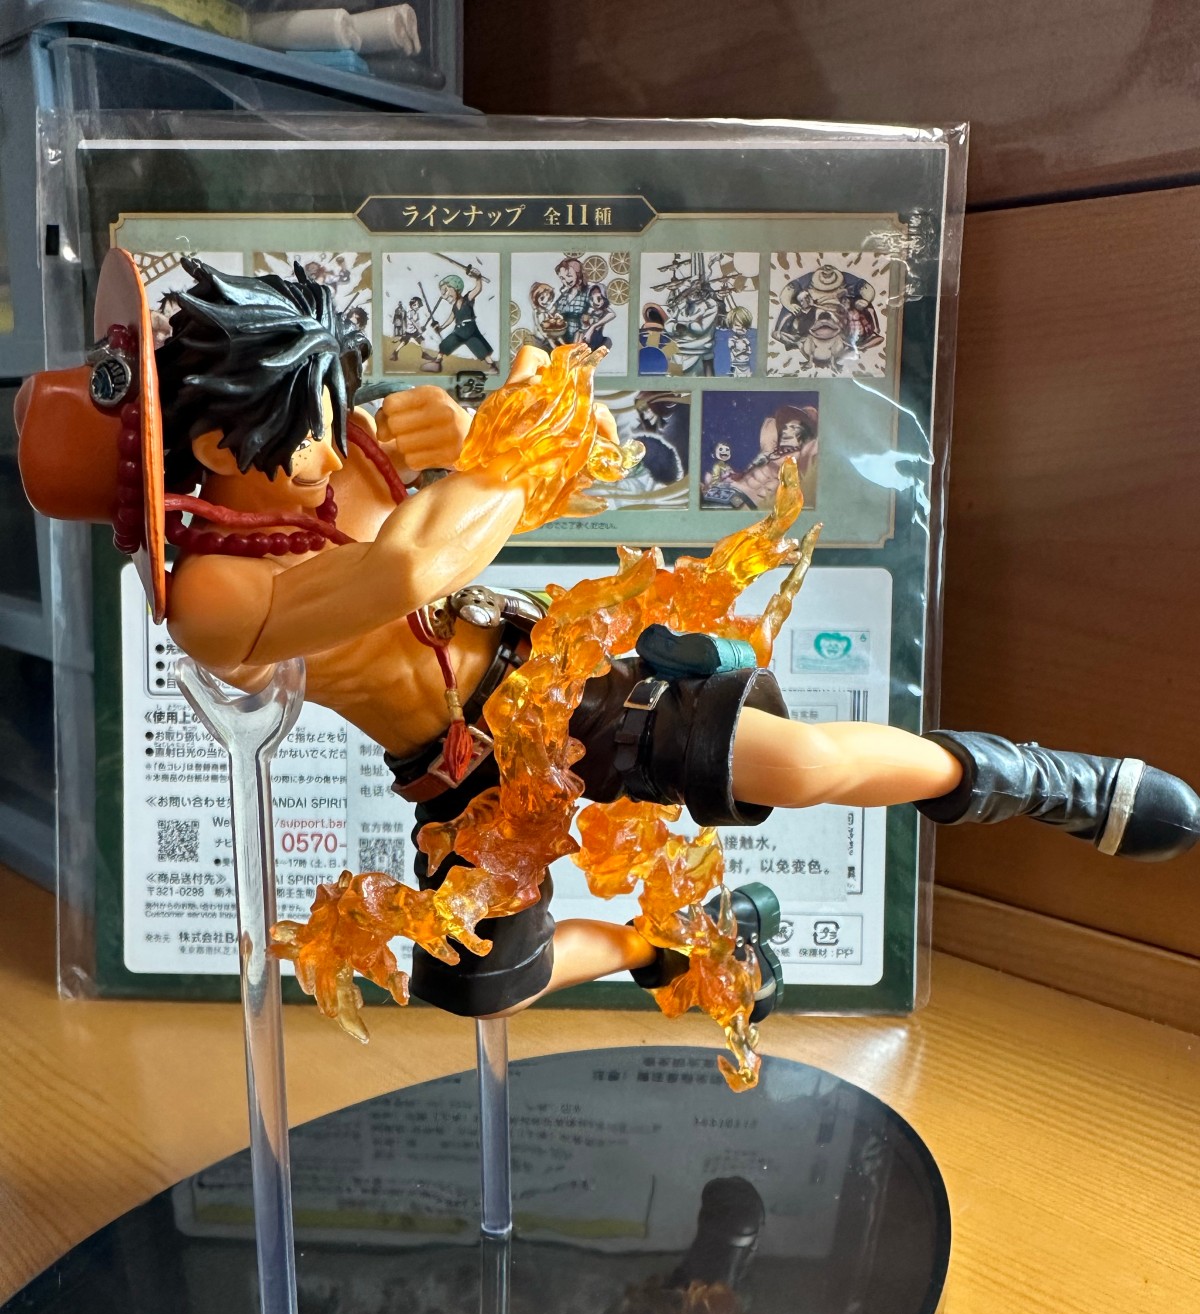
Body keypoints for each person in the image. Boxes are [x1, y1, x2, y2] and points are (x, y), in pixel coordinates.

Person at [15, 252, 1199, 1027]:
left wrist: (477, 433)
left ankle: (1028, 779)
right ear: (211, 451)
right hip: (457, 773)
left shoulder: (349, 454)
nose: (334, 445)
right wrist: (499, 456)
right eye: (305, 431)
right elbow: (407, 571)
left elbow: (487, 497)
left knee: (786, 763)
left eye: (331, 410)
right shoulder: (213, 598)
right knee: (487, 987)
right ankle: (668, 944)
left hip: (543, 679)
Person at [432, 265, 497, 371]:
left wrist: (478, 278)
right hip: (459, 331)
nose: (446, 295)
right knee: (446, 343)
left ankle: (493, 367)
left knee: (479, 346)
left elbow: (478, 289)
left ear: (456, 289)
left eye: (447, 290)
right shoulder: (454, 307)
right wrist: (441, 328)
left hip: (469, 328)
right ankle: (437, 362)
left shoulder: (467, 298)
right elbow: (451, 318)